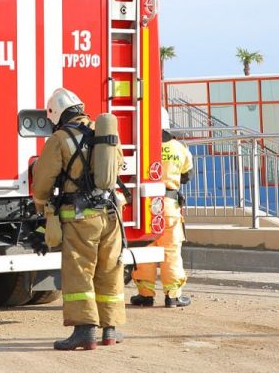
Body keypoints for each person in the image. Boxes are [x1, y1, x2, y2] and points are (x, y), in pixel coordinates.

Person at [32, 88, 126, 350]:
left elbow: (42, 182)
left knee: (80, 271)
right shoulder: (104, 132)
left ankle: (85, 331)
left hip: (80, 217)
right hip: (111, 213)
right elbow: (118, 165)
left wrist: (40, 209)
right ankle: (110, 330)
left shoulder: (60, 138)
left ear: (57, 115)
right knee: (109, 269)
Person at [131, 107, 193, 307]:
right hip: (169, 206)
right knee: (171, 251)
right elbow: (187, 176)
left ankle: (145, 295)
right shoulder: (179, 148)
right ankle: (173, 296)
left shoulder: (143, 145)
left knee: (145, 249)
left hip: (145, 205)